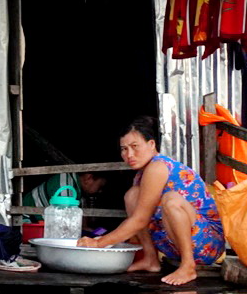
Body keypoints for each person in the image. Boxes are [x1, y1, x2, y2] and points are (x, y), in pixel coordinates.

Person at [77, 116, 224, 285]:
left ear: (152, 144)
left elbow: (140, 220)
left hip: (207, 244)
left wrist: (99, 243)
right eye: (124, 149)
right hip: (176, 242)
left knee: (171, 200)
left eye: (134, 147)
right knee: (132, 195)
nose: (129, 154)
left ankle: (188, 266)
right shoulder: (142, 174)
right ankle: (150, 259)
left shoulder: (158, 167)